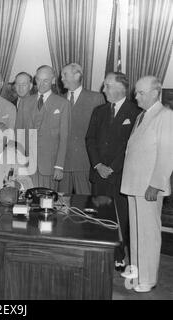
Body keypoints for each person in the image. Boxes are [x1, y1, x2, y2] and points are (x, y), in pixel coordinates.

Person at [120, 76, 173, 293]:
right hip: (134, 183)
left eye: (141, 92)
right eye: (136, 92)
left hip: (148, 186)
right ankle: (136, 269)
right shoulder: (143, 115)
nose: (136, 96)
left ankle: (148, 278)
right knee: (137, 230)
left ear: (154, 93)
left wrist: (156, 184)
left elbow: (167, 154)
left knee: (148, 232)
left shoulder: (165, 115)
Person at [86, 72, 141, 270]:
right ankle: (100, 256)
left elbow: (131, 145)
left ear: (121, 88)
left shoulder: (136, 112)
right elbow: (90, 139)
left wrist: (113, 167)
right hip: (99, 174)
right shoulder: (98, 111)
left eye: (107, 86)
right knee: (99, 216)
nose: (103, 90)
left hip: (120, 177)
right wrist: (98, 165)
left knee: (120, 218)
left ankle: (118, 256)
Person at [16, 65, 70, 189]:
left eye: (46, 80)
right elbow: (18, 133)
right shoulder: (25, 102)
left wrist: (59, 166)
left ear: (52, 81)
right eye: (39, 80)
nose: (42, 83)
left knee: (46, 203)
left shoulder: (63, 104)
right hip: (27, 165)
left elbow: (64, 138)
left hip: (49, 166)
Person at [59, 63, 105, 195]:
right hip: (62, 164)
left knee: (86, 205)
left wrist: (98, 162)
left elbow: (101, 133)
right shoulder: (58, 99)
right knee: (62, 205)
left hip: (85, 162)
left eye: (64, 75)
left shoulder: (96, 98)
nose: (61, 78)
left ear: (77, 75)